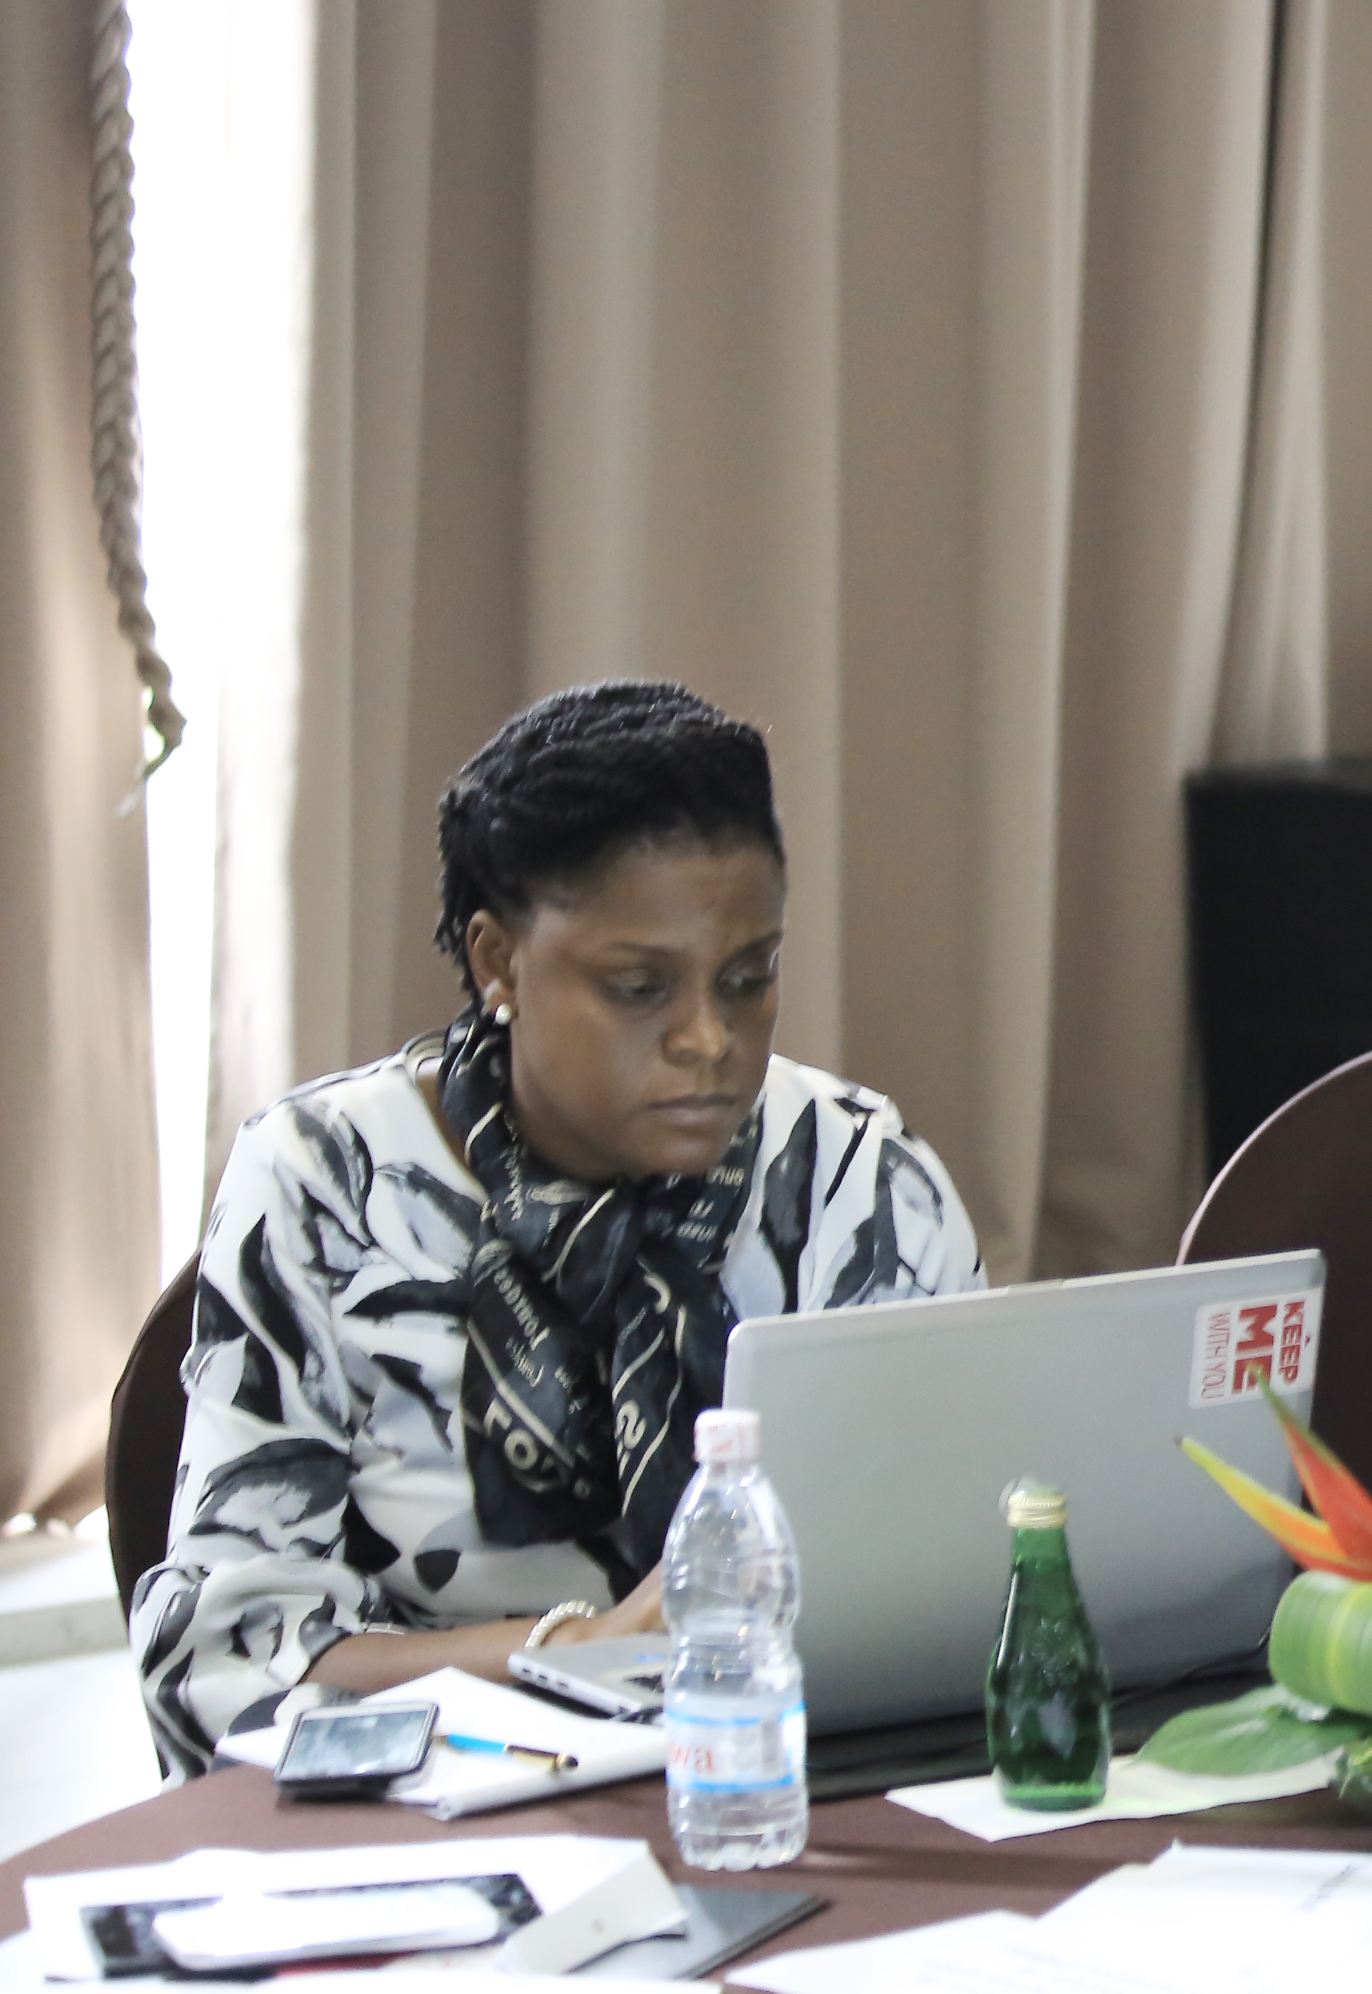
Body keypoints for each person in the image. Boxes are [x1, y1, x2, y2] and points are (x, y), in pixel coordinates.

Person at [132, 681, 982, 1773]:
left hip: (796, 1779)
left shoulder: (855, 1176)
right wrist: (576, 1650)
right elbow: (221, 1662)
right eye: (639, 987)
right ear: (498, 961)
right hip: (442, 1808)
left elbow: (965, 1569)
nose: (708, 1038)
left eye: (748, 977)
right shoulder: (326, 1184)